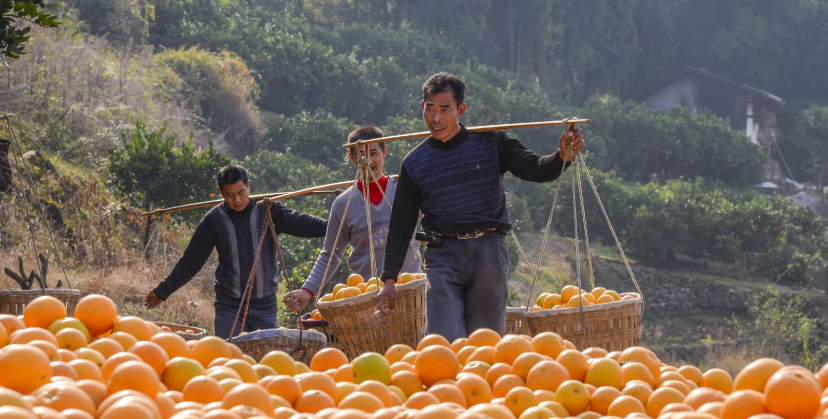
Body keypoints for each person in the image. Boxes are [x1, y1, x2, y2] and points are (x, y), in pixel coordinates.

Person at [377, 72, 584, 342]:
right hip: (443, 255)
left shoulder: (492, 142)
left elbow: (535, 168)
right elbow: (401, 223)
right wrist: (389, 278)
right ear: (422, 107)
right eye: (429, 109)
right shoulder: (415, 162)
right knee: (444, 342)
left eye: (444, 109)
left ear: (461, 110)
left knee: (484, 343)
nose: (435, 118)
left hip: (489, 254)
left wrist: (562, 156)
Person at [144, 164, 327, 338]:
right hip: (230, 308)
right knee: (232, 356)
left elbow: (302, 224)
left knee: (267, 357)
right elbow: (192, 260)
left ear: (249, 186)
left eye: (241, 193)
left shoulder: (268, 210)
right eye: (230, 195)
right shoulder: (214, 219)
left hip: (265, 307)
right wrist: (163, 291)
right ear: (221, 192)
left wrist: (335, 226)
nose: (237, 200)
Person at [282, 126, 421, 313]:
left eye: (373, 153)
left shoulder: (405, 192)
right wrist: (307, 291)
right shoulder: (343, 204)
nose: (368, 161)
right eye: (361, 155)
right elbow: (330, 255)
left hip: (411, 293)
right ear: (352, 156)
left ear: (385, 152)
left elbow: (437, 218)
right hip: (366, 298)